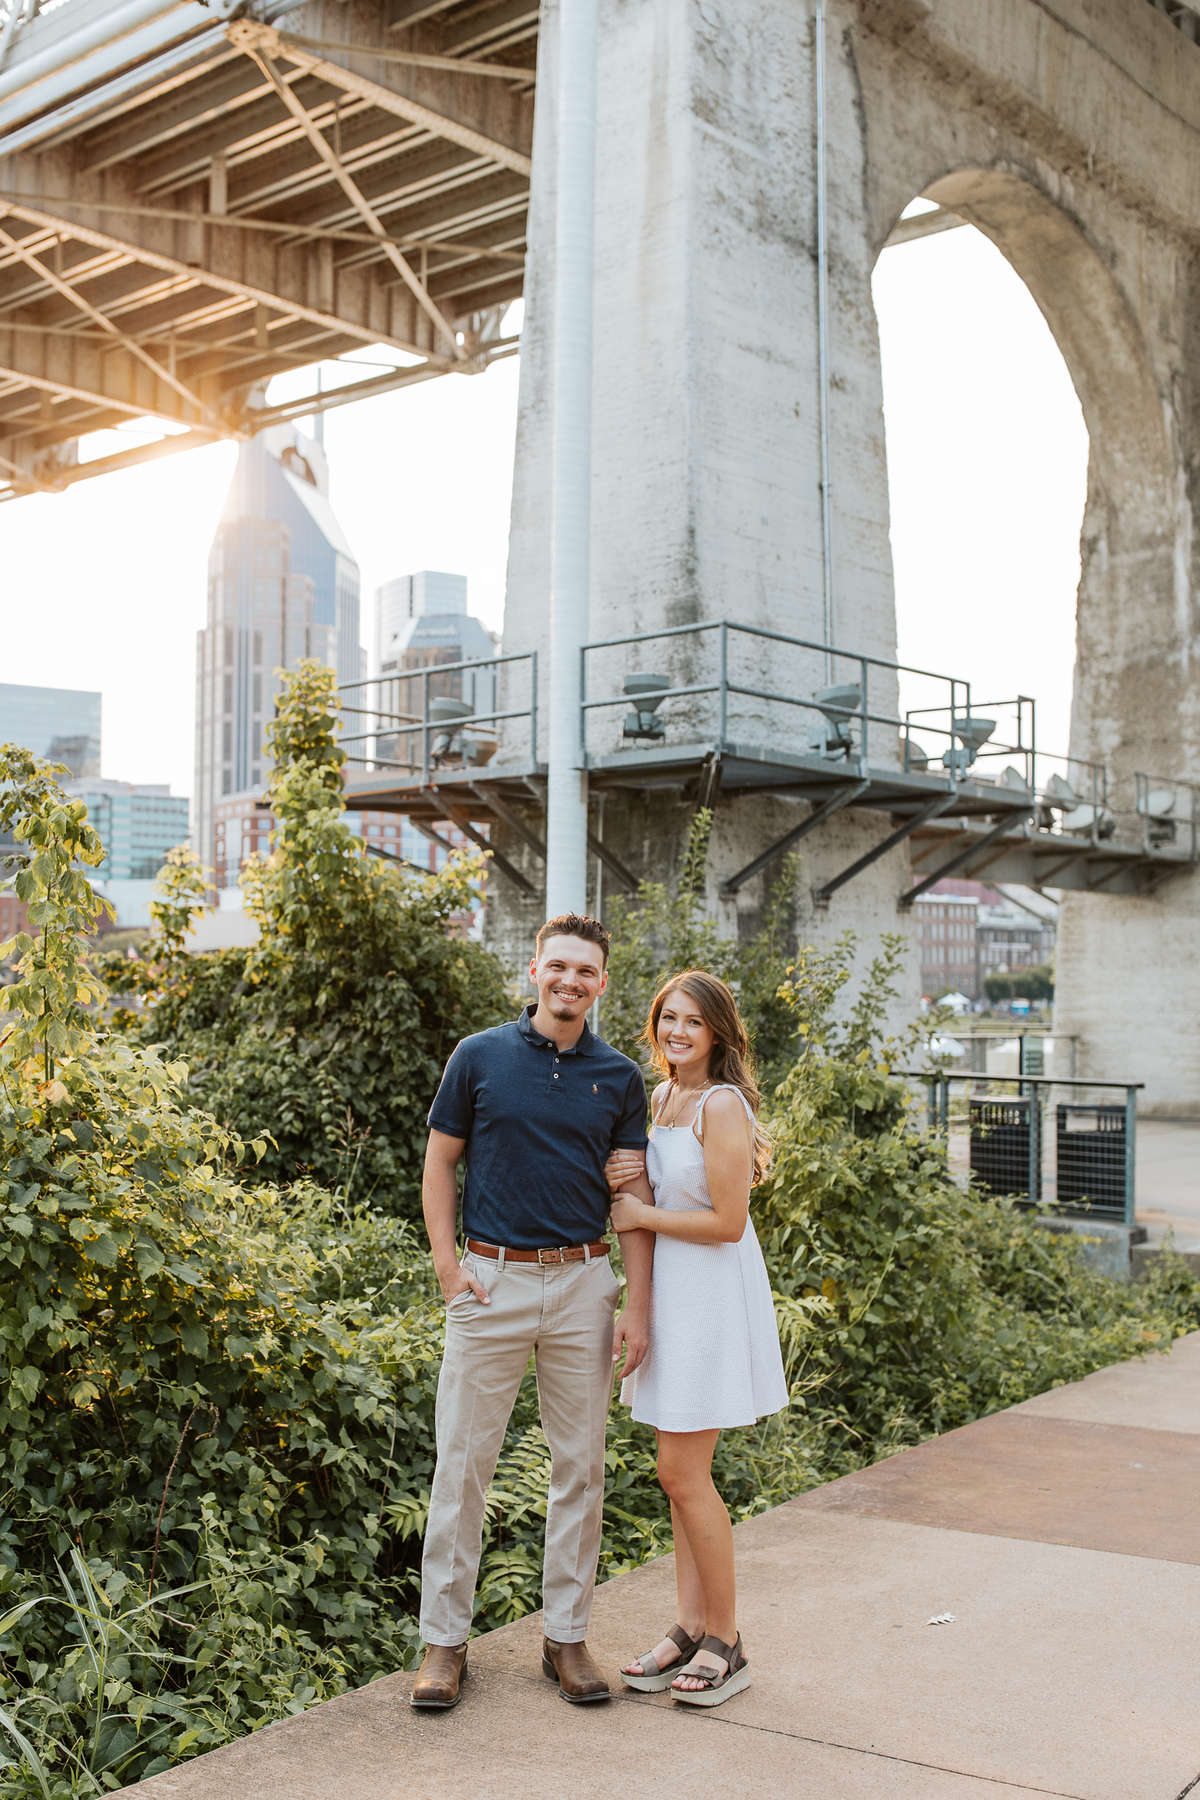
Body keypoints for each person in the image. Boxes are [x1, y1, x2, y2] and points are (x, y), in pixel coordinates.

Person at [410, 914, 655, 1711]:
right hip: (492, 1281)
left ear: (602, 984)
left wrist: (634, 1305)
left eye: (586, 971)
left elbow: (633, 1196)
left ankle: (567, 1636)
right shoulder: (478, 1056)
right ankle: (445, 1645)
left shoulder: (619, 1077)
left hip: (584, 1283)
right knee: (463, 1467)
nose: (570, 981)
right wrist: (451, 1270)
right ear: (533, 971)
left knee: (580, 1466)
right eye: (558, 967)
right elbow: (440, 1163)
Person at [604, 969, 787, 1708]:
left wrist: (641, 1215)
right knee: (671, 1474)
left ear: (717, 1033)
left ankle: (727, 1639)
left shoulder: (722, 1105)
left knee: (685, 1474)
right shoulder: (661, 1097)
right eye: (668, 1019)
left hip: (711, 1296)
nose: (678, 1031)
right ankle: (688, 1626)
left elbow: (727, 1223)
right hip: (671, 1296)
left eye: (693, 1022)